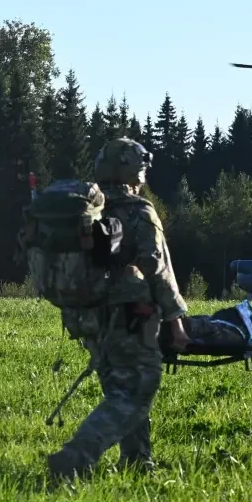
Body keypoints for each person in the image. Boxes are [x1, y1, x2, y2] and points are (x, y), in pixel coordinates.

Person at [46, 137, 190, 480]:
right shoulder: (139, 211)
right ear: (133, 171)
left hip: (87, 316)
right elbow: (157, 268)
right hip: (129, 317)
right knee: (136, 393)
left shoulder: (89, 208)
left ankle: (138, 462)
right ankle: (76, 456)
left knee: (122, 388)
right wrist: (176, 319)